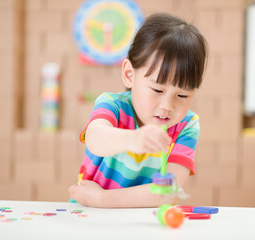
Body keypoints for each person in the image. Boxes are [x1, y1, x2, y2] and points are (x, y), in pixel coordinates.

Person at [69, 13, 207, 208]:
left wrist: (103, 199)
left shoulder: (187, 125)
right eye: (158, 90)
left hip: (140, 219)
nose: (168, 105)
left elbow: (169, 192)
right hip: (90, 214)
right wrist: (134, 139)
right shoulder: (113, 105)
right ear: (129, 74)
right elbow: (94, 139)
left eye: (182, 95)